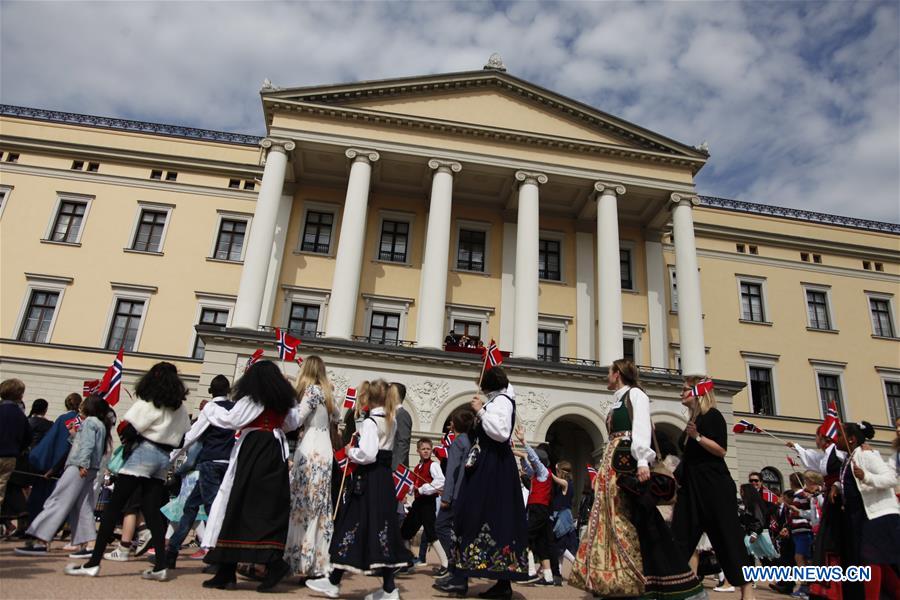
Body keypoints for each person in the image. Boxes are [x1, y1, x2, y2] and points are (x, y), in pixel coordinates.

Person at [65, 362, 191, 581]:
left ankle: (93, 563)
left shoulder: (149, 401)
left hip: (142, 453)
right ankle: (160, 565)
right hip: (163, 458)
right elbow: (182, 438)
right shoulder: (180, 408)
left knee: (115, 508)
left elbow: (127, 427)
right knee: (152, 512)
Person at [306, 379, 411, 600]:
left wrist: (350, 451)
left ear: (370, 398)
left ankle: (336, 581)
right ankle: (385, 587)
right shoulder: (391, 419)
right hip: (383, 479)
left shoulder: (372, 422)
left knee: (352, 524)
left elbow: (369, 453)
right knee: (379, 528)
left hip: (369, 479)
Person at [199, 360, 298, 593]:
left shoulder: (251, 398)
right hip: (274, 450)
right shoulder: (284, 401)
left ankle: (270, 564)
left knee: (238, 503)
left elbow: (232, 420)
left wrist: (211, 407)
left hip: (253, 450)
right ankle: (228, 570)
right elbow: (293, 423)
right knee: (264, 506)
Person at [434, 366, 529, 599]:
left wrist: (481, 412)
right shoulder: (496, 400)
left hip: (493, 467)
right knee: (474, 517)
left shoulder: (502, 402)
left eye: (481, 380)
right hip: (485, 465)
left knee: (483, 517)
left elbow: (501, 432)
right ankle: (461, 574)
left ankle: (471, 578)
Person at [671, 375, 754, 599]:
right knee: (679, 536)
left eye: (685, 389)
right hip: (691, 488)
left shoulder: (713, 416)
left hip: (714, 487)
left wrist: (697, 437)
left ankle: (747, 590)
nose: (681, 393)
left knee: (727, 538)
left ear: (698, 393)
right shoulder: (693, 419)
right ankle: (670, 585)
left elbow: (721, 450)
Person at [16, 396, 112, 556]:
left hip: (78, 467)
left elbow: (86, 446)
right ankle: (88, 545)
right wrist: (76, 435)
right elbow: (90, 445)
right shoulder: (100, 425)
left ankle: (41, 539)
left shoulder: (89, 422)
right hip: (91, 469)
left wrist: (82, 463)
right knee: (83, 506)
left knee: (58, 500)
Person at [165, 374, 235, 568]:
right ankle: (172, 549)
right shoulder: (235, 407)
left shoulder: (211, 409)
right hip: (228, 462)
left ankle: (215, 554)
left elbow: (192, 436)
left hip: (210, 461)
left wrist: (171, 457)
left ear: (211, 391)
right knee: (192, 505)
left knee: (210, 508)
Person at [284, 356, 340, 579]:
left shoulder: (312, 392)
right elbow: (337, 415)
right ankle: (318, 561)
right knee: (320, 504)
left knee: (302, 502)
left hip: (310, 448)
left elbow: (296, 420)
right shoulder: (327, 394)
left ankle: (299, 559)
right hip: (325, 450)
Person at [833, 421, 900, 600]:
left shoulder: (866, 455)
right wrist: (837, 486)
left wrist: (867, 476)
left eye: (839, 435)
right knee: (878, 563)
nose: (835, 438)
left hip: (879, 515)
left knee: (871, 561)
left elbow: (891, 479)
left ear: (852, 439)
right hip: (864, 516)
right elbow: (849, 481)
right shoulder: (849, 458)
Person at [433, 409, 474, 588]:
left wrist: (447, 496)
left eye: (451, 422)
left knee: (441, 526)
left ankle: (453, 564)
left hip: (454, 495)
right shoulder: (469, 441)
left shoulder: (458, 442)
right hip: (465, 494)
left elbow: (452, 473)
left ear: (454, 425)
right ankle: (455, 569)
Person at [515, 425, 557, 587]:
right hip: (540, 510)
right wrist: (521, 456)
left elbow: (533, 459)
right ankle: (548, 577)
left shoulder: (543, 471)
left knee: (525, 536)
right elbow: (526, 467)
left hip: (538, 509)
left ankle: (530, 571)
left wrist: (523, 441)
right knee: (541, 543)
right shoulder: (538, 474)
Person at [400, 438, 447, 573]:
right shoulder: (417, 468)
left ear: (431, 450)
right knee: (405, 531)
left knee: (431, 533)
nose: (426, 451)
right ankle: (407, 560)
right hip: (418, 503)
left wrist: (422, 489)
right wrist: (410, 488)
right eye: (423, 449)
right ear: (418, 451)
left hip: (428, 503)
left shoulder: (433, 465)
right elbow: (413, 485)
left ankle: (445, 564)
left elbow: (440, 481)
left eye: (428, 449)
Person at [0, 379, 31, 510]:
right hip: (9, 457)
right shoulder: (20, 415)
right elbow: (28, 438)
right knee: (1, 490)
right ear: (20, 396)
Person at [391, 383, 411, 471]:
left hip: (395, 470)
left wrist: (396, 469)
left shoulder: (402, 414)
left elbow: (403, 443)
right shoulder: (392, 414)